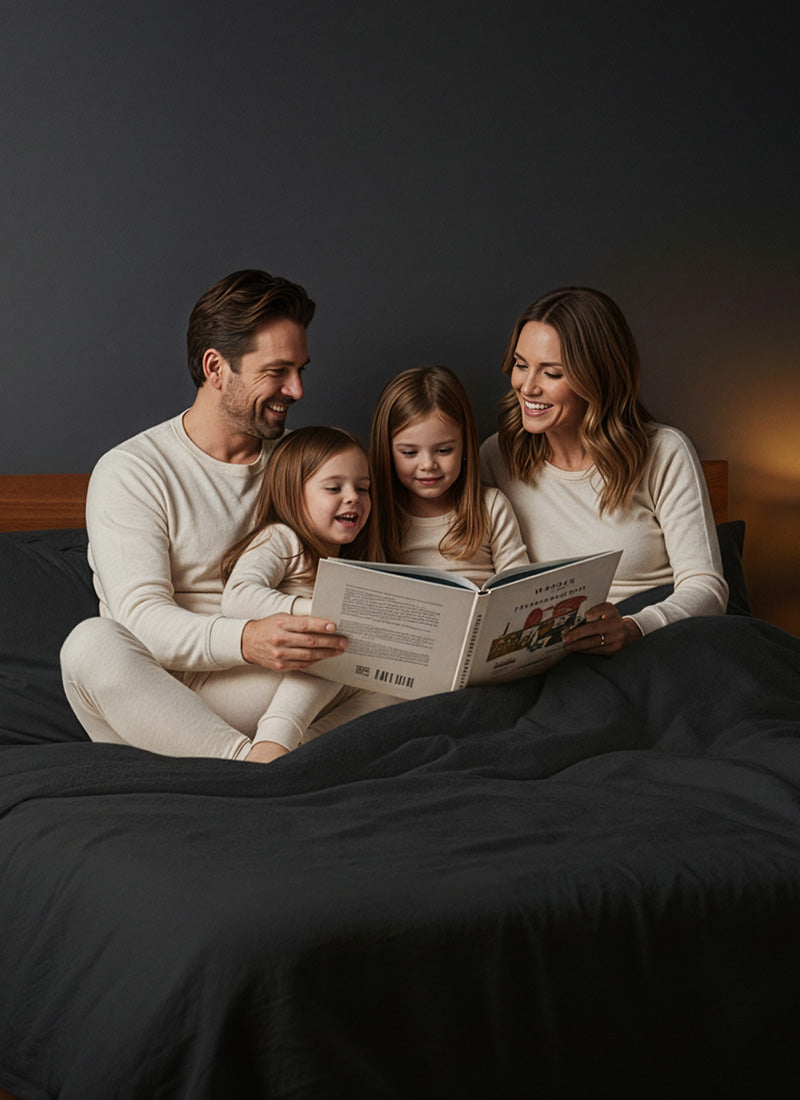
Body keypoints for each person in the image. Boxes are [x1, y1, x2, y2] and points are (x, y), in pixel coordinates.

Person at [60, 269, 353, 762]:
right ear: (216, 367)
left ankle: (272, 757)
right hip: (158, 696)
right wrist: (246, 639)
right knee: (89, 644)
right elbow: (142, 619)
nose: (297, 389)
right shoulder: (133, 470)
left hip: (270, 690)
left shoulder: (301, 470)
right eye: (277, 371)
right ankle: (252, 765)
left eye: (301, 369)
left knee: (392, 668)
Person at [479, 286, 728, 654]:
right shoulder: (497, 456)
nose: (526, 386)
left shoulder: (664, 451)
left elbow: (707, 588)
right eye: (520, 364)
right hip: (555, 656)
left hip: (655, 643)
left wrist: (632, 628)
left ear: (596, 377)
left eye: (551, 373)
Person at [217, 425, 395, 762]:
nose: (353, 497)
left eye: (363, 488)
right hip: (249, 691)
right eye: (333, 488)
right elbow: (237, 596)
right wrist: (313, 609)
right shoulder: (282, 538)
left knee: (395, 687)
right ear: (292, 494)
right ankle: (273, 745)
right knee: (335, 638)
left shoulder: (349, 559)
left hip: (305, 701)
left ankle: (307, 749)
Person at [368, 365, 529, 580]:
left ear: (464, 446)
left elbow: (518, 584)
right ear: (387, 451)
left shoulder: (490, 507)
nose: (428, 465)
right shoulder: (374, 512)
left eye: (444, 450)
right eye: (409, 452)